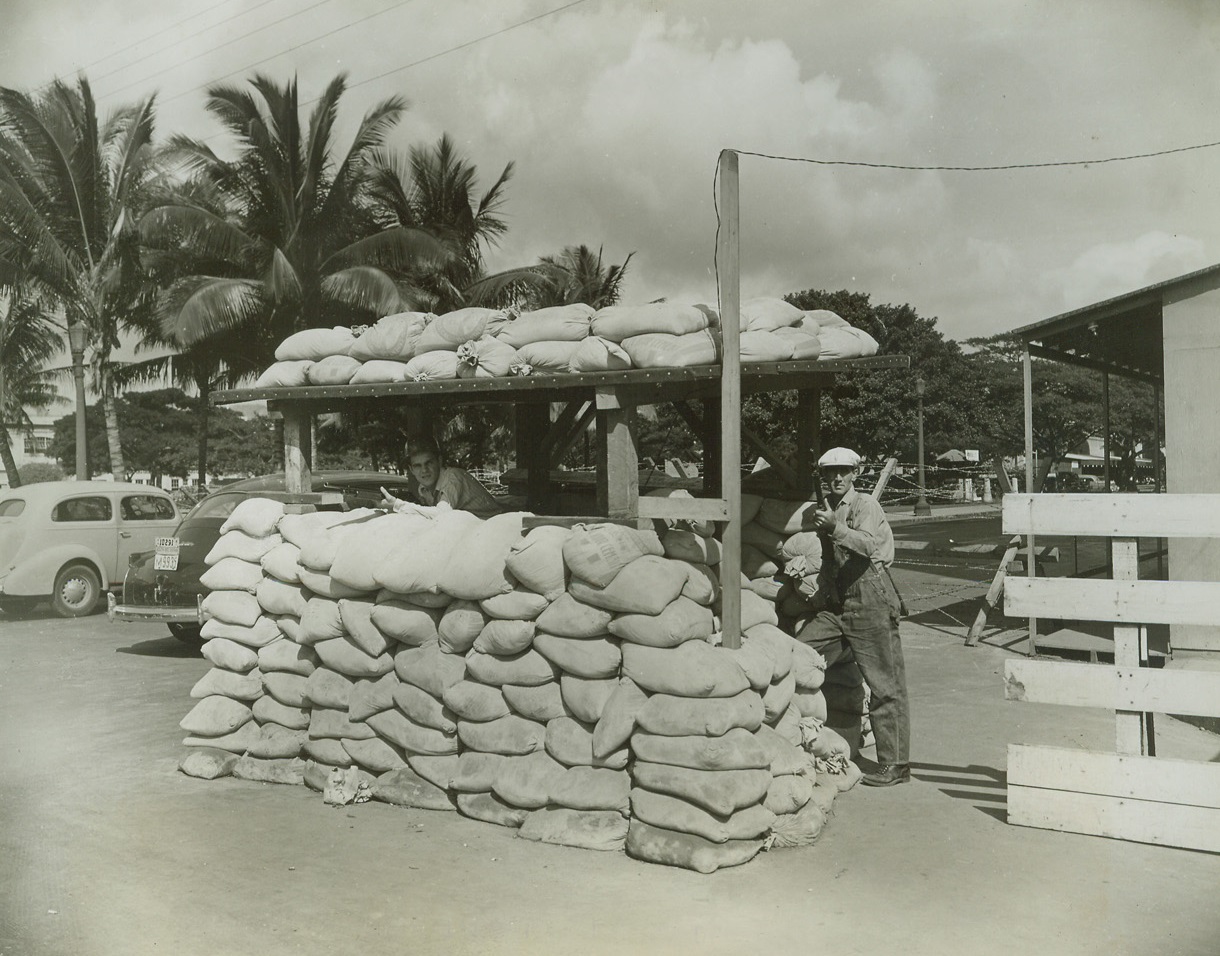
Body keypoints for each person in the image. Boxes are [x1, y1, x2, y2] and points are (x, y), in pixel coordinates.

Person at [800, 446, 911, 787]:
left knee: (884, 685)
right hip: (838, 605)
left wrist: (835, 528)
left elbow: (868, 546)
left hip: (872, 601)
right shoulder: (826, 508)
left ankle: (895, 765)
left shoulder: (865, 505)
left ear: (854, 474)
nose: (836, 477)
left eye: (843, 472)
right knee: (799, 653)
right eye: (830, 473)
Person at [380, 435, 503, 518]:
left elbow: (442, 515)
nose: (424, 470)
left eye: (429, 463)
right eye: (418, 465)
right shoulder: (423, 489)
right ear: (411, 469)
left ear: (439, 461)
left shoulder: (452, 478)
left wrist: (398, 505)